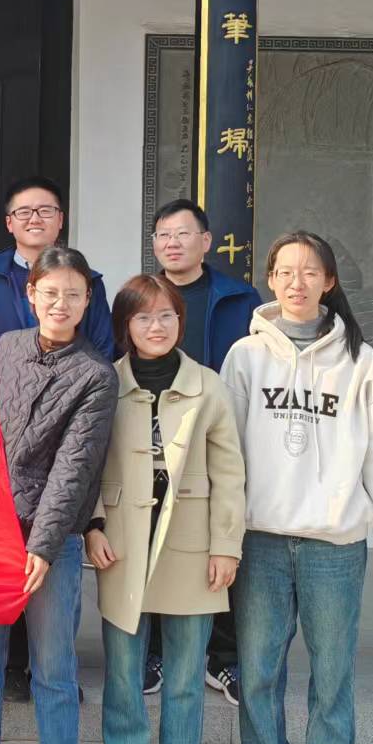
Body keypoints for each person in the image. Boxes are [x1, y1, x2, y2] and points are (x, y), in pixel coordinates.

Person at [222, 231, 373, 744]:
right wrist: (222, 534)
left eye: (310, 272)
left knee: (333, 672)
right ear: (270, 280)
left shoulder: (359, 360)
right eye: (285, 271)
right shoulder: (246, 357)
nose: (297, 282)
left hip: (335, 543)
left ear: (329, 282)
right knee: (259, 671)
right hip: (261, 539)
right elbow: (224, 454)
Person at [0, 246, 116, 744]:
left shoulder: (97, 375)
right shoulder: (7, 347)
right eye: (50, 293)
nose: (60, 304)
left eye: (72, 294)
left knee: (53, 664)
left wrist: (42, 547)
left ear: (87, 300)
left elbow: (75, 470)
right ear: (30, 294)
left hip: (54, 540)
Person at [86, 274, 245, 744]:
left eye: (167, 315)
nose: (156, 327)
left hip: (193, 544)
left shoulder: (209, 386)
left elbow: (230, 474)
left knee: (183, 679)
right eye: (143, 317)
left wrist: (226, 546)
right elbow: (87, 463)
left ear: (181, 321)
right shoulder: (105, 382)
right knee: (124, 677)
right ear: (124, 326)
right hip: (122, 544)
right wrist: (93, 525)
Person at [0, 176, 115, 701]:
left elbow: (101, 351)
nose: (60, 303)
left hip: (67, 430)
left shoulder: (90, 293)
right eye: (24, 212)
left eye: (45, 210)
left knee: (54, 646)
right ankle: (9, 677)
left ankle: (45, 685)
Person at [143, 198, 262, 706]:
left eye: (183, 233)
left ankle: (223, 656)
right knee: (155, 544)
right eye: (163, 235)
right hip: (157, 443)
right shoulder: (142, 296)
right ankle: (154, 653)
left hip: (222, 435)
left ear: (206, 241)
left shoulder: (239, 298)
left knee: (224, 544)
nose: (172, 243)